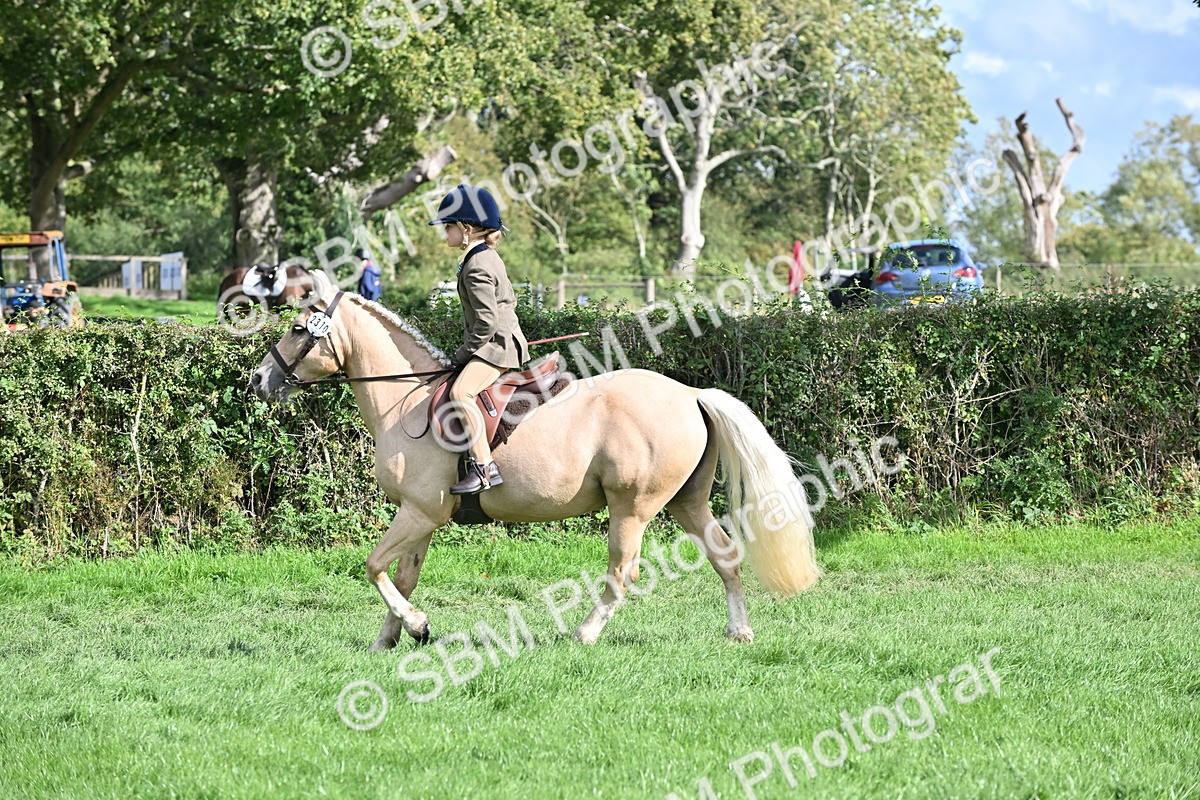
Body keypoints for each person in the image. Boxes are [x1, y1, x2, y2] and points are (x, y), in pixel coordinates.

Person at [429, 184, 529, 495]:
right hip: (495, 342)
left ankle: (484, 468)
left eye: (449, 227)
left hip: (496, 348)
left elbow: (486, 321)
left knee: (461, 392)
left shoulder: (477, 265)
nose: (445, 234)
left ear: (467, 229)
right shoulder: (484, 256)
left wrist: (461, 355)